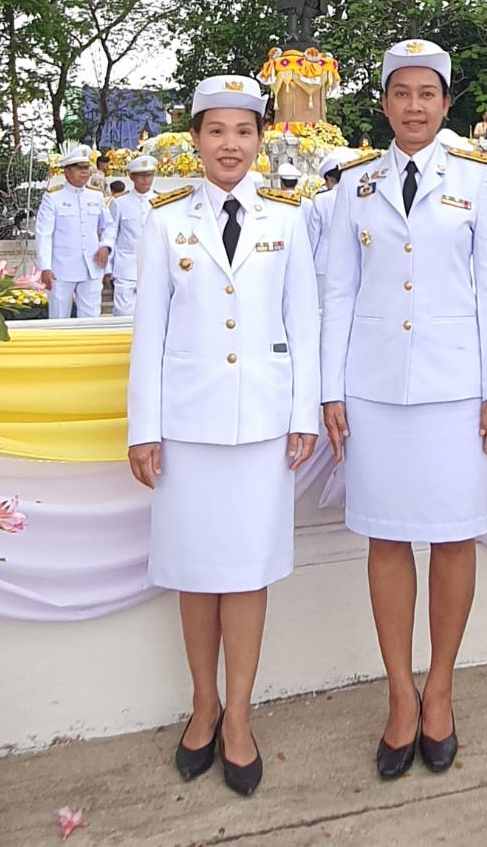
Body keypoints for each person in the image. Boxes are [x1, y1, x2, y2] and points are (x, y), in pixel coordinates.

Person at [321, 39, 487, 780]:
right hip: (374, 388)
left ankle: (441, 689)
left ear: (445, 102)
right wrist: (331, 390)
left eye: (426, 93)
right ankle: (400, 694)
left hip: (455, 387)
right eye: (400, 93)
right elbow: (339, 291)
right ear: (383, 102)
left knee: (455, 536)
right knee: (388, 537)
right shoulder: (355, 184)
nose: (413, 106)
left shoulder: (478, 179)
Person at [127, 74, 319, 797]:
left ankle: (238, 714)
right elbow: (148, 333)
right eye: (216, 131)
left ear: (261, 139)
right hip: (187, 425)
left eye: (243, 131)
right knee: (195, 570)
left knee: (245, 570)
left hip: (263, 424)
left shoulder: (288, 218)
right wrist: (144, 427)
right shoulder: (164, 220)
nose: (230, 144)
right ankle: (202, 705)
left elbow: (304, 322)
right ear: (196, 140)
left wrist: (303, 414)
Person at [34, 144, 110, 318]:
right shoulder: (53, 197)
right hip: (61, 269)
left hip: (91, 266)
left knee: (91, 320)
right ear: (67, 172)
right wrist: (45, 267)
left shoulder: (96, 195)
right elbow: (44, 234)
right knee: (59, 319)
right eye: (79, 168)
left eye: (86, 168)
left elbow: (109, 225)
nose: (84, 172)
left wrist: (106, 246)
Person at [307, 146, 367, 300]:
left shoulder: (321, 200)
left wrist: (307, 265)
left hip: (323, 263)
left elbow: (312, 237)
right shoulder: (361, 198)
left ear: (329, 178)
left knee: (322, 306)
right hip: (353, 263)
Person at [101, 154, 157, 316]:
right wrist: (108, 267)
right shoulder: (120, 202)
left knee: (153, 314)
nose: (145, 179)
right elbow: (111, 233)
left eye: (149, 175)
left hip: (155, 267)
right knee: (123, 314)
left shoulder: (161, 200)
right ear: (132, 177)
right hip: (126, 268)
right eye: (141, 175)